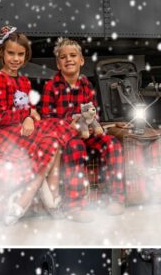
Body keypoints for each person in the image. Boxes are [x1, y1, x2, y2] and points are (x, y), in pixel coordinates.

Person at [0, 26, 77, 225]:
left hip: (21, 127)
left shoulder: (25, 81)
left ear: (26, 55)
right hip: (3, 132)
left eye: (21, 54)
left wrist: (31, 113)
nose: (16, 59)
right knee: (52, 142)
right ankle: (48, 199)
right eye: (11, 53)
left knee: (55, 132)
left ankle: (38, 193)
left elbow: (27, 106)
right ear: (1, 53)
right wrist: (27, 115)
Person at [41, 38, 125, 220]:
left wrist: (96, 125)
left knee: (112, 143)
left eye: (73, 55)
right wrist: (67, 126)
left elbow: (93, 113)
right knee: (75, 147)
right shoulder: (51, 86)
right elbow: (47, 121)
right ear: (58, 63)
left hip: (86, 133)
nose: (68, 59)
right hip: (66, 138)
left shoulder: (86, 84)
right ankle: (74, 206)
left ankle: (114, 198)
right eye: (63, 57)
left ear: (81, 60)